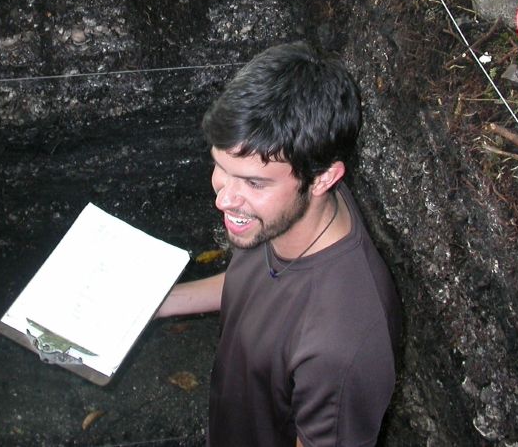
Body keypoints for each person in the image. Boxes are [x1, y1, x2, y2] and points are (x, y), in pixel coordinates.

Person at [157, 41, 401, 447]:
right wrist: (150, 305)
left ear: (324, 177)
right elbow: (256, 282)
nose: (224, 198)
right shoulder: (288, 215)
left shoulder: (341, 347)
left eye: (254, 182)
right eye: (221, 167)